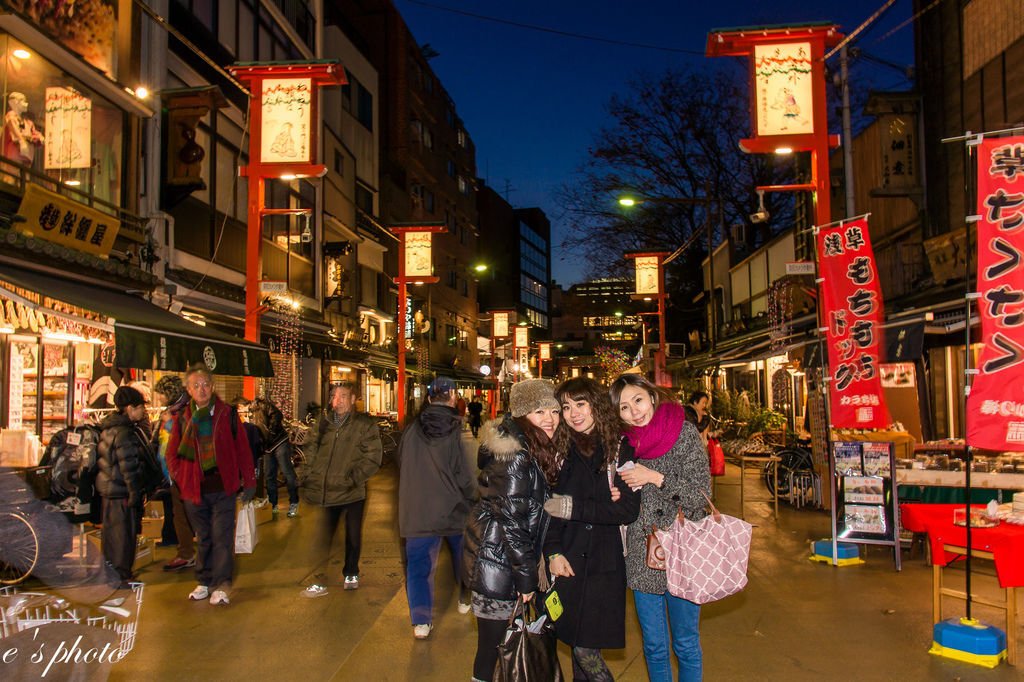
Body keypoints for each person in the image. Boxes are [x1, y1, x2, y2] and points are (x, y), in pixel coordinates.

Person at [463, 379, 568, 682]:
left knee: (499, 647)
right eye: (539, 411)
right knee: (493, 650)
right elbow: (513, 522)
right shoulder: (516, 456)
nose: (549, 419)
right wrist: (526, 581)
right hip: (498, 567)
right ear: (522, 415)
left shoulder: (534, 447)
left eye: (553, 411)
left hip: (501, 560)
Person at [610, 374, 711, 682]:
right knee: (654, 646)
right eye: (624, 407)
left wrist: (655, 477)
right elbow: (625, 501)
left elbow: (702, 497)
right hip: (643, 555)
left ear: (651, 397)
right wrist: (617, 496)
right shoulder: (624, 444)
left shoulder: (684, 433)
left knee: (685, 643)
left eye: (638, 400)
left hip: (682, 550)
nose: (634, 412)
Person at [545, 377, 640, 681]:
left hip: (604, 565)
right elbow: (549, 511)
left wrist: (575, 509)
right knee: (575, 647)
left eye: (581, 404)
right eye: (567, 407)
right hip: (568, 562)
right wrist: (553, 552)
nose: (574, 414)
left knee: (586, 650)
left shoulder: (620, 451)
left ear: (595, 404)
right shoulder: (560, 452)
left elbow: (627, 509)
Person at [166, 364, 256, 606]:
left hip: (223, 488)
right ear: (189, 390)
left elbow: (243, 451)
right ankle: (204, 581)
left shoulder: (227, 414)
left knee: (222, 536)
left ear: (213, 386)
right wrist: (180, 477)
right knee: (203, 536)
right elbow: (171, 453)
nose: (202, 389)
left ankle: (222, 583)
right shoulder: (183, 417)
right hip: (194, 490)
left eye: (205, 384)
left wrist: (249, 481)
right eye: (196, 385)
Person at [397, 376, 476, 639]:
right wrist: (474, 496)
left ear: (429, 398)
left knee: (418, 566)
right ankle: (465, 597)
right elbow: (466, 474)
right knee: (463, 557)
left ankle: (421, 621)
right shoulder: (458, 430)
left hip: (417, 509)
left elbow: (401, 462)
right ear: (453, 398)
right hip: (453, 508)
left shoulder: (410, 429)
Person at [300, 381, 383, 596]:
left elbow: (373, 457)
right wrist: (309, 475)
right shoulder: (323, 423)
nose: (339, 401)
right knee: (324, 536)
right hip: (327, 490)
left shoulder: (364, 425)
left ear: (353, 399)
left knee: (353, 535)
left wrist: (353, 478)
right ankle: (319, 577)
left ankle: (351, 571)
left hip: (352, 490)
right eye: (335, 396)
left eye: (344, 396)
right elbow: (310, 450)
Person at [96, 386, 149, 587]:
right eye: (140, 408)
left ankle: (112, 574)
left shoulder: (108, 428)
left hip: (109, 490)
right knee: (123, 537)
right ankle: (120, 576)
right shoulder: (125, 433)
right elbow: (129, 466)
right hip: (121, 491)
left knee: (112, 535)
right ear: (129, 408)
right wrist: (136, 493)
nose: (143, 412)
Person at [152, 375, 196, 573]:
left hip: (184, 472)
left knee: (189, 515)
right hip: (173, 473)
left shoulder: (186, 412)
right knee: (180, 515)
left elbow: (188, 439)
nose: (159, 398)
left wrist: (169, 424)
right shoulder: (174, 410)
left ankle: (191, 553)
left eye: (161, 393)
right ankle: (187, 552)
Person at [252, 397, 300, 518]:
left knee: (287, 472)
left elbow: (277, 415)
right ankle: (273, 505)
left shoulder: (263, 405)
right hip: (268, 446)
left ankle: (294, 502)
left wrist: (272, 432)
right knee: (269, 475)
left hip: (279, 441)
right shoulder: (252, 413)